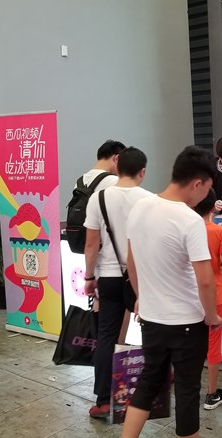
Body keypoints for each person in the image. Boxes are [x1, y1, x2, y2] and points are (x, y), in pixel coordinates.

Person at [109, 146, 222, 438]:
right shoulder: (189, 219)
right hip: (188, 321)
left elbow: (132, 263)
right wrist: (211, 315)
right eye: (207, 188)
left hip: (152, 318)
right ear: (198, 184)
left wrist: (142, 298)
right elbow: (205, 279)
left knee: (148, 383)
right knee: (187, 388)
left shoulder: (141, 206)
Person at [84, 147, 153, 419]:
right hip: (141, 278)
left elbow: (91, 244)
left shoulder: (98, 198)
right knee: (152, 334)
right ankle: (151, 393)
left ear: (117, 166)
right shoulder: (149, 200)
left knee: (107, 337)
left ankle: (103, 401)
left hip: (110, 277)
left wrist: (89, 277)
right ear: (142, 172)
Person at [193, 188, 222, 410]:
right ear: (213, 207)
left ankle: (188, 388)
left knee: (190, 343)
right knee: (213, 346)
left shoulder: (186, 230)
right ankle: (211, 394)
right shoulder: (219, 232)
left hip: (190, 295)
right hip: (214, 295)